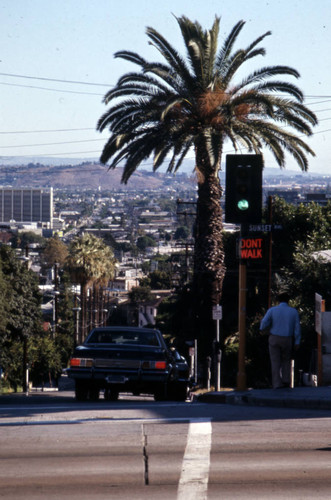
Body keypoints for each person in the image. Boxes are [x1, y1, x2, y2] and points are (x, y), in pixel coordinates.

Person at [260, 292, 301, 389]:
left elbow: (264, 322)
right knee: (286, 360)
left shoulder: (272, 310)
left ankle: (277, 383)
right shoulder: (293, 311)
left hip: (274, 337)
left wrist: (262, 329)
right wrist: (297, 341)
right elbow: (297, 328)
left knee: (275, 361)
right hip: (287, 338)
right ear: (288, 300)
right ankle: (286, 380)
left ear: (278, 300)